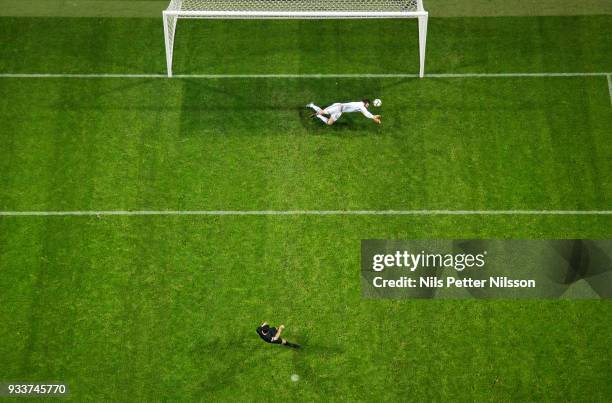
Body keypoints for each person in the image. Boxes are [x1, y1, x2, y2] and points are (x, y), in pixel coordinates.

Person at [307, 99, 381, 125]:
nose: (368, 106)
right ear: (364, 102)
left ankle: (318, 116)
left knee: (329, 123)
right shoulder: (360, 105)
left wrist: (373, 117)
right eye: (367, 104)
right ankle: (312, 105)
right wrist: (373, 117)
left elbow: (366, 112)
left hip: (339, 111)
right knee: (321, 112)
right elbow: (366, 112)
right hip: (338, 107)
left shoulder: (361, 106)